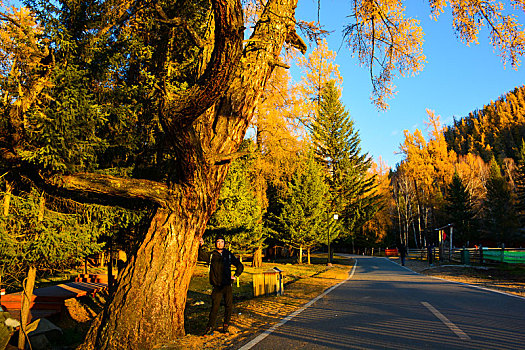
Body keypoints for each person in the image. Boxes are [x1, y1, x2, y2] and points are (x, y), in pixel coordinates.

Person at [198, 235, 244, 335]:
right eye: (218, 242)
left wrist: (236, 275)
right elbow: (200, 255)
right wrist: (200, 245)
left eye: (222, 242)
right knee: (215, 307)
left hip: (227, 285)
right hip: (216, 286)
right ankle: (210, 327)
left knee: (229, 306)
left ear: (224, 243)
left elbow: (240, 265)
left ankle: (225, 326)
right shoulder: (211, 255)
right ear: (215, 243)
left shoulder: (228, 254)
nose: (220, 243)